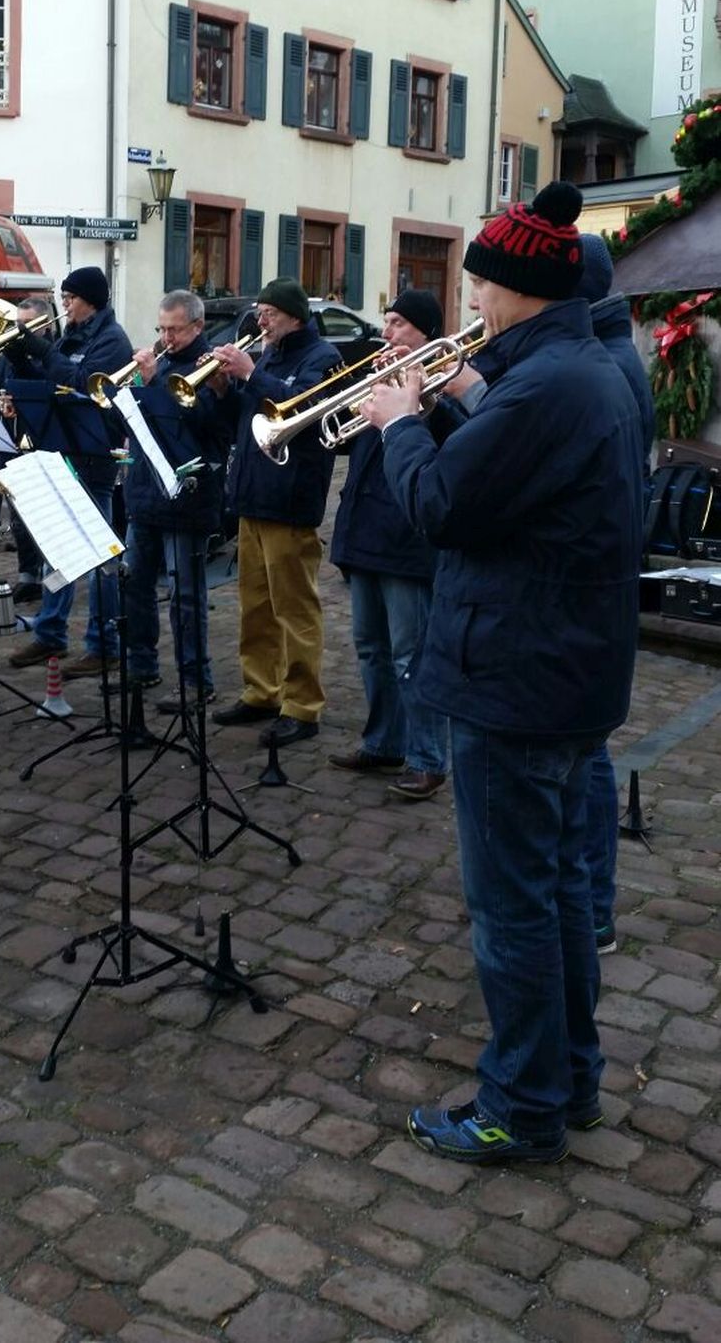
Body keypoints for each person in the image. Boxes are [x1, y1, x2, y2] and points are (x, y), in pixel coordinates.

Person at [362, 181, 643, 1164]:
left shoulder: (548, 382)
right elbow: (514, 466)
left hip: (516, 676)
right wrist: (456, 396)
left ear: (513, 286)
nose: (469, 300)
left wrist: (399, 420)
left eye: (477, 283)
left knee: (514, 905)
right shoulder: (575, 366)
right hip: (564, 673)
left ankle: (519, 1103)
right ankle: (570, 1080)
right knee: (558, 889)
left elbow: (441, 505)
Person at [328, 290, 448, 797]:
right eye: (387, 322)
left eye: (398, 324)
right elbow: (351, 446)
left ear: (423, 332)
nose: (387, 333)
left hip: (406, 540)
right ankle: (383, 742)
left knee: (411, 655)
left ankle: (427, 757)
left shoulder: (443, 383)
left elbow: (449, 449)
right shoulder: (379, 378)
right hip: (364, 532)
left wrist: (420, 402)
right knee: (370, 648)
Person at [211, 278, 340, 748]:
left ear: (295, 317)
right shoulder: (268, 356)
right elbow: (244, 423)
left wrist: (250, 374)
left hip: (290, 500)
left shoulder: (321, 357)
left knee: (295, 608)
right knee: (256, 606)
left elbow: (301, 408)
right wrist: (226, 389)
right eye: (259, 312)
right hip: (253, 497)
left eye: (269, 313)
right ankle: (260, 690)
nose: (260, 321)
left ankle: (302, 705)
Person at [576, 234, 655, 954]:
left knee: (588, 763)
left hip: (590, 596)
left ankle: (594, 904)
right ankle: (586, 900)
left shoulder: (604, 367)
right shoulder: (608, 356)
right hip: (596, 592)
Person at [8, 268, 132, 678]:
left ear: (91, 300)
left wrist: (42, 352)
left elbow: (79, 382)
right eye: (63, 298)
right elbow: (47, 384)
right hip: (62, 452)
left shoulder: (111, 341)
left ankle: (104, 644)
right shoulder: (70, 336)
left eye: (70, 298)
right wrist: (20, 359)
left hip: (94, 456)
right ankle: (51, 631)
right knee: (58, 553)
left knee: (99, 557)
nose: (65, 306)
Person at [123, 290, 230, 713]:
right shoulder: (163, 360)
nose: (166, 338)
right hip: (146, 490)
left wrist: (151, 383)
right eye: (161, 329)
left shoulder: (211, 367)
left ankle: (196, 680)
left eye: (175, 329)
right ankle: (143, 665)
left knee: (185, 595)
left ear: (197, 327)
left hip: (189, 496)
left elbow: (208, 425)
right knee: (136, 584)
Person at [0, 295, 59, 599]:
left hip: (45, 441)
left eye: (27, 325)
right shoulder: (5, 356)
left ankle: (51, 577)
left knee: (48, 516)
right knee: (18, 516)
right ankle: (27, 576)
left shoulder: (53, 354)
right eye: (18, 324)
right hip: (12, 441)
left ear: (44, 324)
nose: (20, 330)